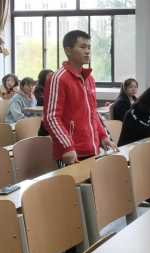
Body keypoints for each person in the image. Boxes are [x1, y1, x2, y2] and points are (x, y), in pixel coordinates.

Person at [44, 30, 114, 165]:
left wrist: (103, 136)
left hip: (92, 149)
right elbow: (51, 118)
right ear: (68, 50)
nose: (87, 51)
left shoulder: (89, 79)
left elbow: (93, 113)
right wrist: (68, 146)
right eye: (82, 47)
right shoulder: (58, 78)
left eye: (89, 47)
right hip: (71, 153)